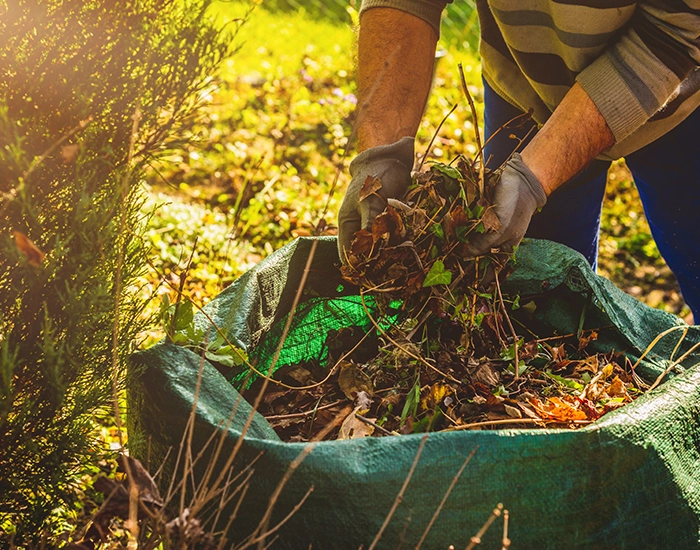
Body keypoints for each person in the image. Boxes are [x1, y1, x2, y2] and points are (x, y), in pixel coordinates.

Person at [337, 0, 700, 320]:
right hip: (527, 85)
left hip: (683, 95)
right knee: (539, 307)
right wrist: (380, 151)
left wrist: (535, 174)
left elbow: (675, 30)